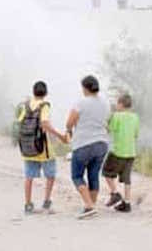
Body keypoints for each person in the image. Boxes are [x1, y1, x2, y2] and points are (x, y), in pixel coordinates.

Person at [18, 81, 68, 214]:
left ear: (33, 92)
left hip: (28, 148)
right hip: (43, 148)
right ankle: (46, 202)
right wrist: (60, 136)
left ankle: (28, 204)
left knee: (29, 176)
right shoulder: (44, 106)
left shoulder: (26, 105)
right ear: (45, 93)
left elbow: (20, 121)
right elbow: (45, 123)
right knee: (50, 175)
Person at [66, 75, 110, 219]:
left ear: (85, 88)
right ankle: (91, 206)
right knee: (93, 175)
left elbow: (70, 122)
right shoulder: (105, 102)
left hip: (83, 143)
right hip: (102, 143)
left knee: (77, 175)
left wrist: (69, 130)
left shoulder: (81, 102)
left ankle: (89, 205)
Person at [103, 94, 140, 212]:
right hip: (131, 152)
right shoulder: (135, 117)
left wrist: (106, 122)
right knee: (126, 178)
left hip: (118, 151)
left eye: (117, 103)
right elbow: (136, 135)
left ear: (120, 104)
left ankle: (115, 193)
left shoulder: (116, 116)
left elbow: (109, 130)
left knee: (106, 172)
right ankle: (127, 203)